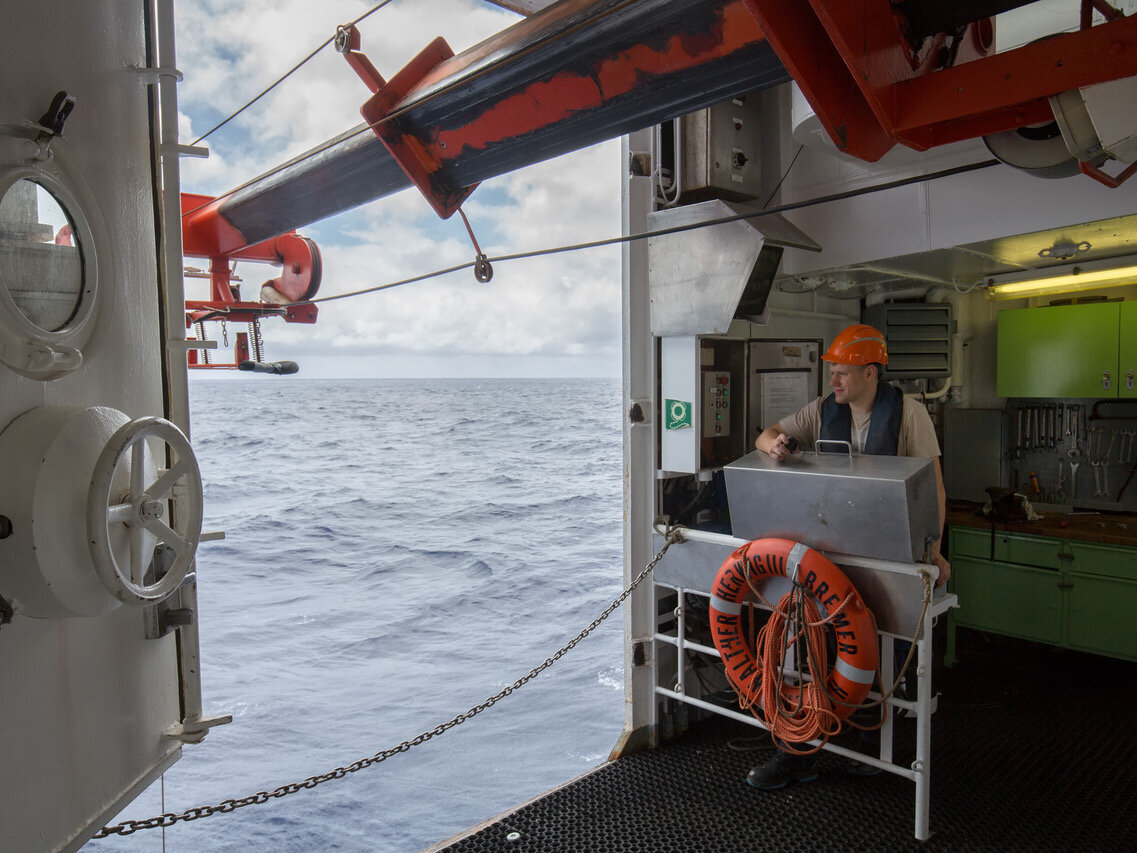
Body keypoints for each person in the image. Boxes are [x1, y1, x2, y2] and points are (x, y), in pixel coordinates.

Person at [745, 323, 951, 790]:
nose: (833, 382)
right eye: (833, 373)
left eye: (842, 373)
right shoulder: (821, 411)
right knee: (808, 651)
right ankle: (797, 752)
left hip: (889, 555)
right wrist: (773, 445)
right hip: (830, 556)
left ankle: (873, 750)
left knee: (883, 654)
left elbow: (933, 486)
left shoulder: (910, 416)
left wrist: (933, 549)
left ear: (871, 373)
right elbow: (768, 434)